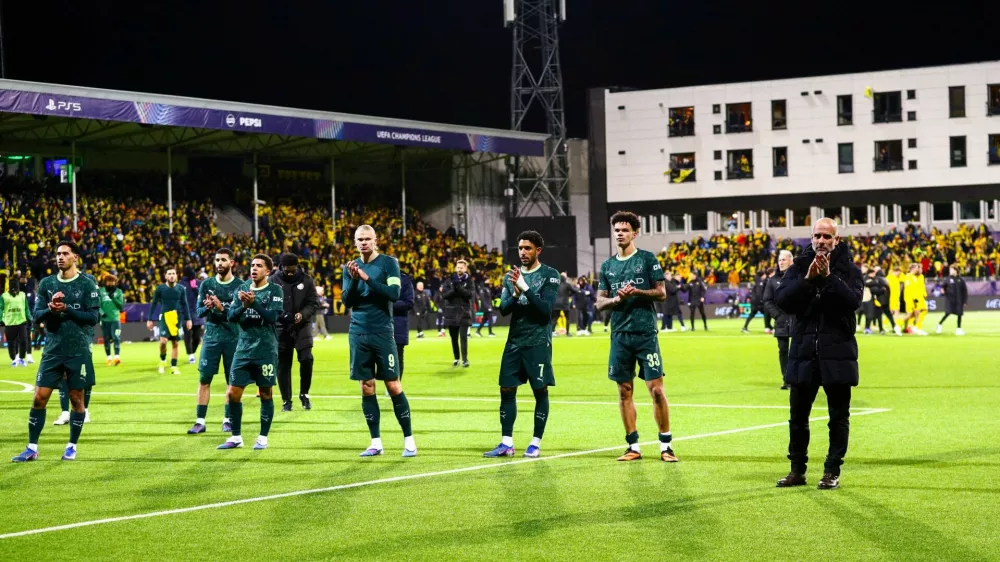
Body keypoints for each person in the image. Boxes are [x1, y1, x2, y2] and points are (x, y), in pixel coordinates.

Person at [774, 218, 863, 490]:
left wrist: (828, 278)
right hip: (803, 354)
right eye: (817, 236)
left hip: (837, 353)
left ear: (836, 240)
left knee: (838, 417)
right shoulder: (799, 267)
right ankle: (797, 470)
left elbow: (852, 302)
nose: (822, 241)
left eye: (827, 236)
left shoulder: (849, 269)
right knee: (798, 418)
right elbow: (783, 301)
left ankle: (831, 471)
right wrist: (808, 279)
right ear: (811, 239)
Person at [595, 211, 677, 463]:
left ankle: (666, 446)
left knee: (657, 391)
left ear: (634, 233)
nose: (620, 233)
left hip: (645, 334)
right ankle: (633, 446)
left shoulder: (647, 259)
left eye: (624, 230)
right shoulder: (608, 266)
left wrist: (636, 292)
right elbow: (599, 303)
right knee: (624, 391)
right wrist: (617, 299)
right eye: (617, 230)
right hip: (619, 335)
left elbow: (661, 293)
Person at [12, 241, 100, 462]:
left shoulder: (87, 284)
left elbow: (93, 318)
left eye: (65, 253)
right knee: (39, 398)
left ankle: (71, 446)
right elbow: (36, 315)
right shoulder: (47, 283)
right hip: (52, 350)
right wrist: (51, 308)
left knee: (76, 400)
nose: (60, 257)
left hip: (78, 350)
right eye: (58, 254)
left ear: (75, 257)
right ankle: (32, 448)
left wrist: (67, 309)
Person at [341, 225, 416, 458]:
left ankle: (409, 440)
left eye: (367, 239)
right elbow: (347, 301)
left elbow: (393, 294)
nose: (363, 243)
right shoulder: (350, 267)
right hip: (358, 332)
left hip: (383, 331)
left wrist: (365, 278)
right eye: (359, 239)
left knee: (393, 385)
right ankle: (375, 442)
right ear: (355, 242)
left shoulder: (388, 263)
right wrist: (354, 280)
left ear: (376, 241)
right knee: (366, 386)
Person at [484, 231, 559, 458]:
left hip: (537, 342)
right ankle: (507, 443)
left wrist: (525, 287)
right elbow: (504, 310)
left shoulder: (550, 275)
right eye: (520, 248)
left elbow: (546, 311)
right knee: (506, 389)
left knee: (540, 391)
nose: (523, 252)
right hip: (514, 341)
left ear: (538, 250)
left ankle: (535, 443)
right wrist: (515, 293)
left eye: (527, 248)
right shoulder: (510, 277)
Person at [217, 254, 284, 451]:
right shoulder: (242, 288)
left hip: (265, 350)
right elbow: (230, 315)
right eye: (252, 265)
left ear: (268, 271)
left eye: (259, 266)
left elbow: (272, 317)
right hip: (243, 350)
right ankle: (236, 437)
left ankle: (263, 438)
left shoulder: (274, 290)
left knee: (265, 393)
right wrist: (244, 306)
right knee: (232, 393)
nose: (254, 269)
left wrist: (254, 304)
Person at [188, 248, 240, 435]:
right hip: (211, 338)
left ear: (231, 263)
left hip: (233, 338)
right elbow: (199, 311)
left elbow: (237, 315)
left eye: (223, 260)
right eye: (217, 260)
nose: (219, 263)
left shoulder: (240, 286)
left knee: (231, 381)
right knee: (204, 379)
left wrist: (220, 308)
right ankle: (200, 421)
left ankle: (227, 419)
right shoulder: (206, 284)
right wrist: (208, 306)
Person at [270, 254, 319, 412]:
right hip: (281, 329)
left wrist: (302, 314)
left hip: (302, 328)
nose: (290, 273)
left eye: (293, 270)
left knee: (306, 360)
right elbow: (268, 303)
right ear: (281, 267)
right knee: (283, 365)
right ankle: (286, 400)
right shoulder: (273, 281)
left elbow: (313, 303)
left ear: (297, 266)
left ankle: (304, 394)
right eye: (287, 270)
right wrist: (282, 315)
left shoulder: (307, 280)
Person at [148, 267, 192, 375]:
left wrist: (188, 319)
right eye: (169, 273)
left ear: (176, 276)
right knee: (163, 341)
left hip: (176, 317)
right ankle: (163, 361)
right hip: (164, 317)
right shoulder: (160, 288)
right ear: (166, 276)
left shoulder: (181, 289)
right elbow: (153, 303)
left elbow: (185, 304)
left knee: (175, 343)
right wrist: (149, 319)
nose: (172, 275)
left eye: (173, 273)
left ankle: (174, 366)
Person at [762, 251, 793, 390]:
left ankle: (801, 379)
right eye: (779, 260)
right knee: (783, 350)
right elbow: (767, 300)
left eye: (784, 260)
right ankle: (787, 380)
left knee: (799, 351)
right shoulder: (772, 280)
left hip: (797, 320)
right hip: (781, 321)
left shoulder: (799, 277)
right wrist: (777, 315)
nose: (781, 262)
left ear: (790, 261)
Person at [442, 260, 475, 367]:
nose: (459, 269)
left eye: (461, 267)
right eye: (458, 267)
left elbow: (470, 294)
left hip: (464, 312)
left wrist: (459, 288)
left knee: (463, 337)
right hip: (451, 313)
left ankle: (465, 359)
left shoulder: (469, 281)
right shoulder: (449, 280)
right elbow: (444, 295)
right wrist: (454, 289)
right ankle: (456, 358)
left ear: (465, 269)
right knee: (454, 338)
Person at [1, 277, 31, 367]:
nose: (14, 291)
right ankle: (14, 359)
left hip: (21, 321)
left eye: (16, 289)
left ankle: (21, 359)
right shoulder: (4, 296)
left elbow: (26, 308)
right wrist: (0, 319)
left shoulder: (22, 295)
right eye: (13, 289)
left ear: (18, 288)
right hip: (9, 322)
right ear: (10, 288)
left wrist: (29, 317)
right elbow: (0, 308)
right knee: (11, 343)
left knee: (24, 341)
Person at [393, 272, 415, 381]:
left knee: (397, 357)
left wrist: (389, 305)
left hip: (399, 324)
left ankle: (396, 384)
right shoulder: (379, 278)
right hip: (380, 324)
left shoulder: (405, 281)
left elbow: (409, 303)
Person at [98, 274, 124, 366]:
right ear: (105, 282)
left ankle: (117, 357)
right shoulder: (100, 291)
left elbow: (121, 306)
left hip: (115, 319)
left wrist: (113, 298)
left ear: (115, 282)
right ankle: (109, 358)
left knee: (116, 337)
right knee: (106, 339)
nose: (111, 283)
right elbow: (97, 305)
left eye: (112, 281)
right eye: (109, 281)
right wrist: (101, 313)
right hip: (104, 320)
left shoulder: (119, 292)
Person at [181, 268, 205, 365]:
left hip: (197, 314)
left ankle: (192, 351)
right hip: (185, 314)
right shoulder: (181, 284)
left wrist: (195, 288)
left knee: (197, 337)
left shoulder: (199, 283)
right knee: (187, 335)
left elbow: (202, 295)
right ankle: (190, 355)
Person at [937, 266, 968, 335]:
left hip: (959, 299)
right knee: (948, 313)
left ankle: (958, 329)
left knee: (959, 314)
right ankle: (939, 325)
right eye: (950, 270)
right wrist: (942, 290)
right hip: (950, 299)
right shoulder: (948, 279)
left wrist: (965, 301)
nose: (950, 271)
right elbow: (943, 286)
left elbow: (965, 291)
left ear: (956, 270)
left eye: (951, 270)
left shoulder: (961, 280)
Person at [903, 264, 928, 335]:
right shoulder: (911, 276)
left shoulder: (921, 277)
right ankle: (912, 327)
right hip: (914, 298)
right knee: (914, 314)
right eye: (919, 268)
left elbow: (922, 286)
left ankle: (912, 327)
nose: (920, 270)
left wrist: (924, 294)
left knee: (920, 312)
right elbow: (910, 288)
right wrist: (913, 298)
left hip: (919, 297)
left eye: (921, 269)